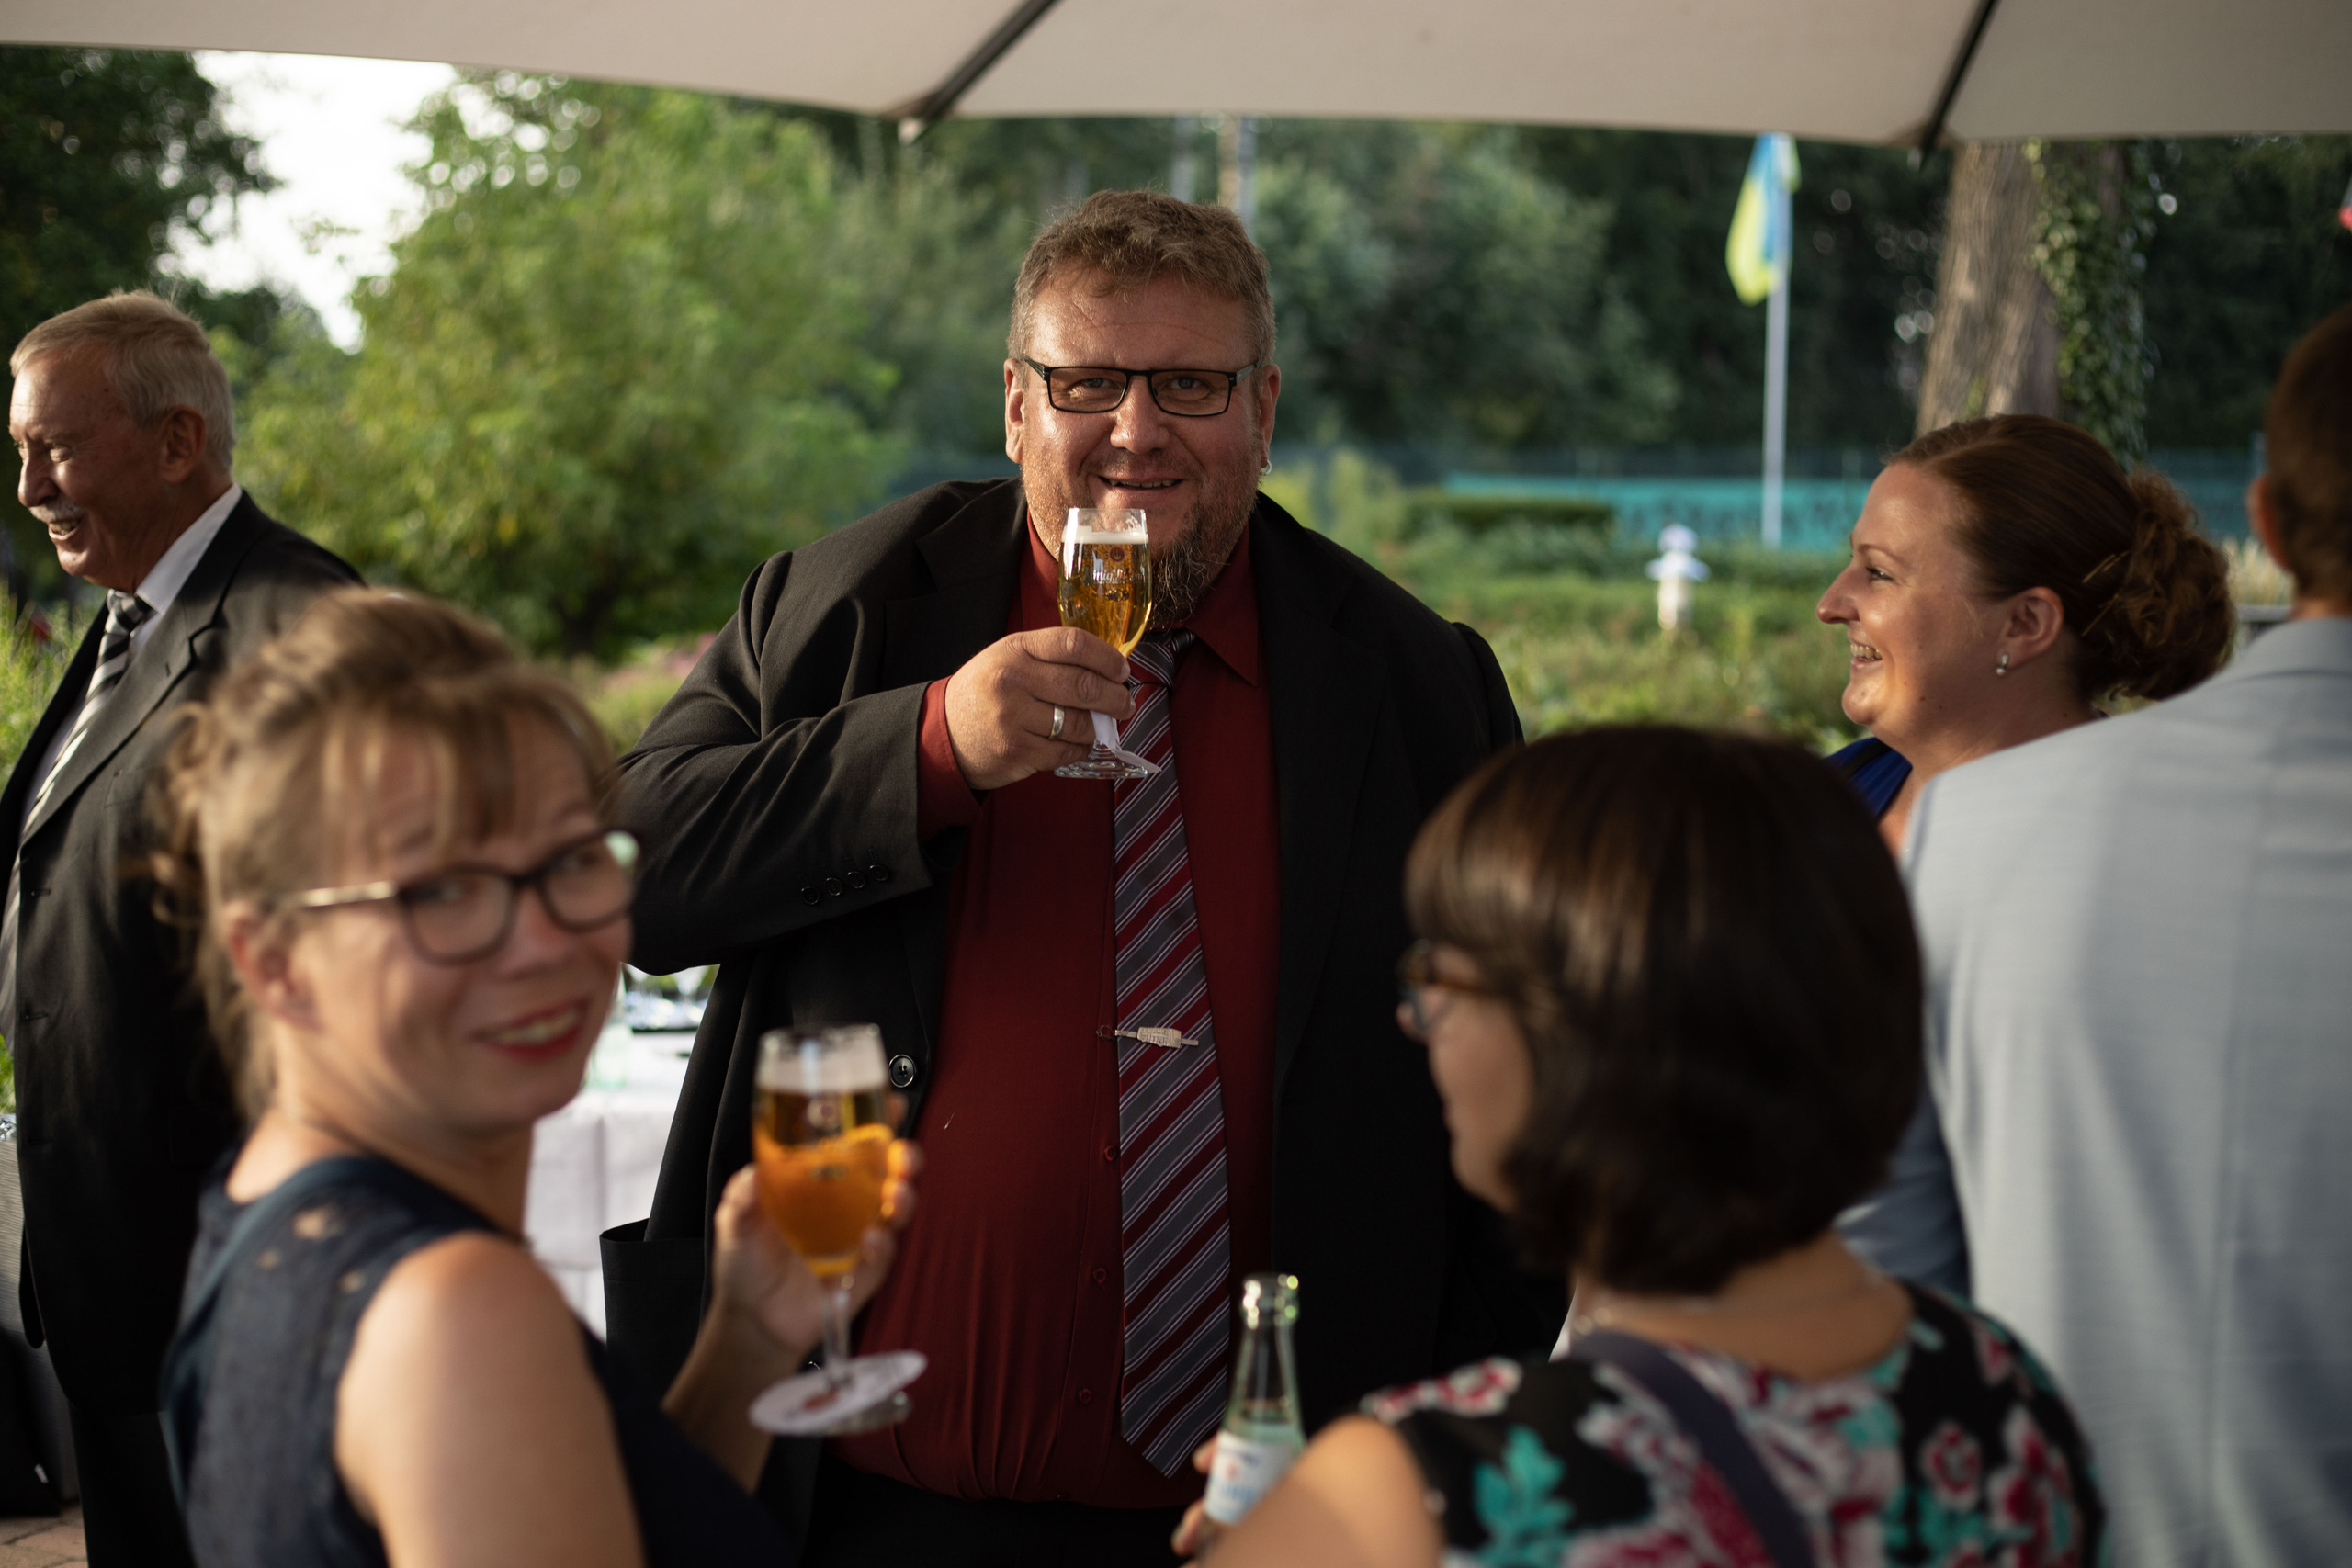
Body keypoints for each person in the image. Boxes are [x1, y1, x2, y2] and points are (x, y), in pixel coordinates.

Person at [608, 189, 1557, 1561]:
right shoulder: (841, 608)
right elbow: (628, 869)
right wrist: (926, 747)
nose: (1136, 430)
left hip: (1285, 1519)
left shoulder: (1416, 680)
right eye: (1088, 381)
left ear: (1264, 404)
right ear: (1014, 404)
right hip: (865, 1504)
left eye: (1191, 384)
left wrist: (1433, 1446)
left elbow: (1536, 1081)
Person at [1174, 727, 2108, 1568]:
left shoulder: (1422, 1492)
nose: (1416, 1019)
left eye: (1440, 972)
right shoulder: (2002, 1395)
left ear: (1578, 1035)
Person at [152, 587, 920, 1565]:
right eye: (445, 890)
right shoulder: (460, 1316)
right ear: (273, 961)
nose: (543, 941)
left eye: (569, 861)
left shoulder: (271, 1206)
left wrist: (743, 1344)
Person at [1846, 307, 2352, 1566]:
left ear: (2275, 525)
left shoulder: (1973, 834)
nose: (1836, 600)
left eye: (1882, 569)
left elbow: (1881, 1282)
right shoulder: (1888, 818)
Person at [0, 291, 358, 1563]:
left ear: (176, 441)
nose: (33, 482)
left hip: (230, 1281)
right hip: (113, 1282)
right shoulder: (123, 624)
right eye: (22, 450)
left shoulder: (299, 627)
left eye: (59, 446)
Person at [1815, 413, 2233, 852]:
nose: (1829, 606)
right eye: (1853, 561)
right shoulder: (1818, 807)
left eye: (1879, 572)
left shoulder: (2143, 848)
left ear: (2025, 624)